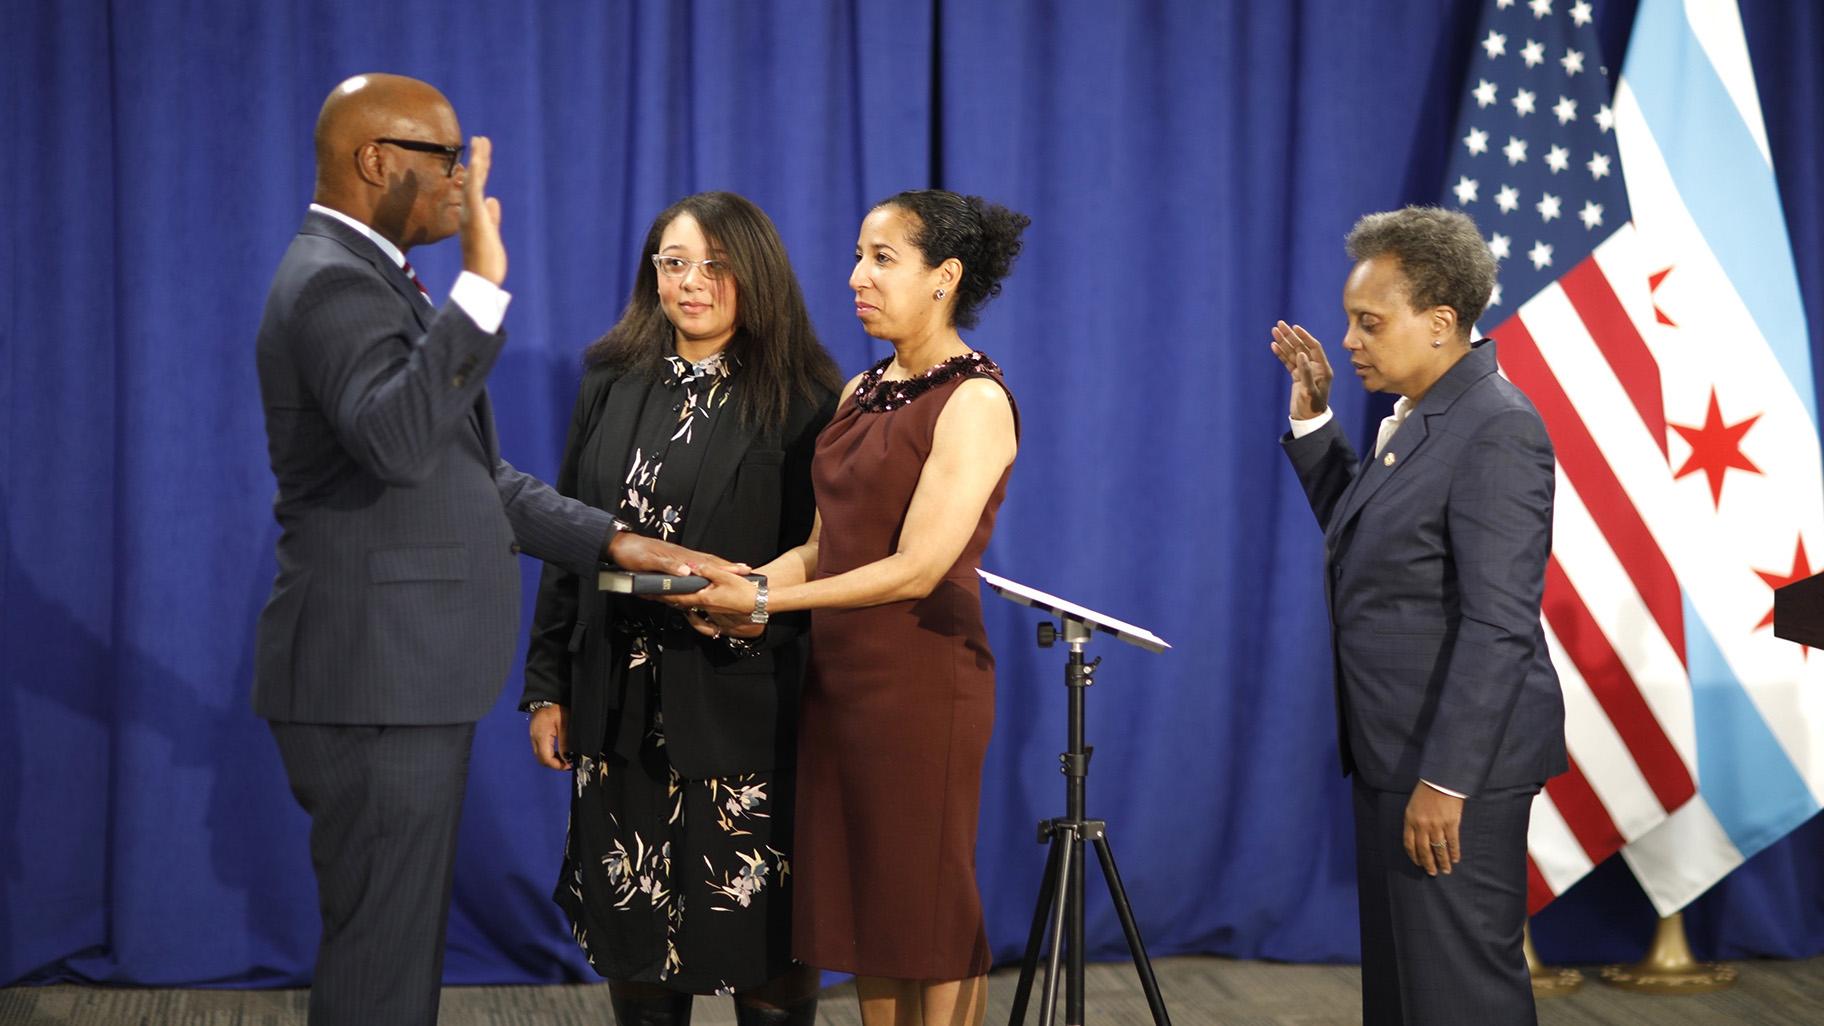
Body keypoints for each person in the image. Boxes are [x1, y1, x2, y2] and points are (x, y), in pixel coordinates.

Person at [252, 74, 709, 1026]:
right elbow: (397, 439)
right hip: (375, 678)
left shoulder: (368, 275)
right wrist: (482, 288)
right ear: (377, 160)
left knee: (394, 942)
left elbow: (472, 478)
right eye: (448, 156)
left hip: (395, 676)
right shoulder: (334, 279)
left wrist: (619, 541)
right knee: (383, 953)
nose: (465, 179)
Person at [673, 189, 1028, 1026]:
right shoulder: (862, 390)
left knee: (927, 901)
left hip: (921, 683)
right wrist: (750, 585)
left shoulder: (975, 400)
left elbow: (916, 568)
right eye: (858, 256)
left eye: (881, 259)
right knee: (870, 903)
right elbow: (823, 546)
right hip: (839, 682)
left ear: (944, 278)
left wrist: (769, 598)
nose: (855, 277)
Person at [518, 192, 841, 1026]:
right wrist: (547, 683)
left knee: (758, 943)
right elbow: (572, 534)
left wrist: (765, 608)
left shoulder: (807, 393)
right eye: (673, 263)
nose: (690, 283)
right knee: (634, 936)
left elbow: (826, 560)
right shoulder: (611, 378)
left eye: (714, 266)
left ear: (754, 275)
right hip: (615, 703)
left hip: (743, 710)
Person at [1269, 206, 1568, 1026]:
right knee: (1406, 997)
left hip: (1452, 769)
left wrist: (1447, 781)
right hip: (1396, 752)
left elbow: (1499, 623)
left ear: (1440, 323)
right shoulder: (1421, 416)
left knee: (1460, 997)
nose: (1352, 341)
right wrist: (1313, 416)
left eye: (1369, 323)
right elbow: (1367, 540)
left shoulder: (1497, 429)